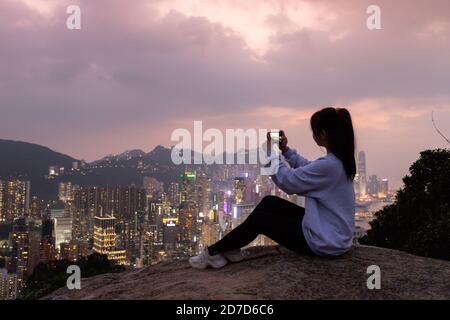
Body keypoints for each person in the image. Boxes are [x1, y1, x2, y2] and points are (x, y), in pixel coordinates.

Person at [189, 107, 356, 269]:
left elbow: (287, 181)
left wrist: (269, 152)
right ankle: (230, 248)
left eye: (314, 131)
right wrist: (285, 151)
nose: (313, 135)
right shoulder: (338, 161)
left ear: (323, 134)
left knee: (262, 220)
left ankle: (214, 252)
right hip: (332, 234)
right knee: (270, 202)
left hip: (324, 242)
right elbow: (309, 168)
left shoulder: (330, 165)